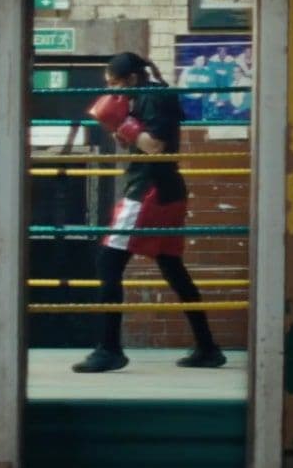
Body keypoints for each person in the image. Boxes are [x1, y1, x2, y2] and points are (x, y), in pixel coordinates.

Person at [74, 52, 224, 373]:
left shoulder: (152, 97)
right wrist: (124, 127)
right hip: (167, 190)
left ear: (131, 78)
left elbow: (155, 146)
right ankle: (208, 347)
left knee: (108, 262)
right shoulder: (149, 95)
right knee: (173, 269)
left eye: (115, 84)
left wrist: (122, 124)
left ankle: (109, 348)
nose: (113, 90)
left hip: (149, 192)